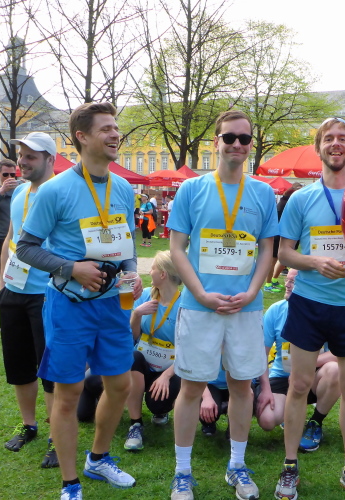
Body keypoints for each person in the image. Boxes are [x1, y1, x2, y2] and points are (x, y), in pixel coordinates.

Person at [15, 102, 140, 500]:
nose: (115, 134)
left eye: (116, 128)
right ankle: (70, 483)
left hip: (113, 305)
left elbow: (127, 245)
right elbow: (26, 247)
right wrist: (72, 268)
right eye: (106, 129)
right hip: (69, 306)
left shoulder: (124, 188)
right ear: (82, 137)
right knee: (67, 394)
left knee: (120, 385)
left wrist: (132, 272)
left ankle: (98, 458)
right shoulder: (55, 190)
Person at [274, 117, 345, 500]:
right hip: (308, 304)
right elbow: (284, 252)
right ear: (319, 147)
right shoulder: (301, 198)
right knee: (298, 386)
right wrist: (314, 263)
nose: (336, 144)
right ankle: (290, 467)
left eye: (342, 138)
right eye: (328, 138)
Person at [166, 109, 278, 500]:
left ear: (250, 145)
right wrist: (199, 293)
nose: (236, 144)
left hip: (245, 308)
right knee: (191, 388)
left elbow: (268, 250)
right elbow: (176, 248)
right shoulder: (191, 189)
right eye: (229, 137)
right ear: (216, 142)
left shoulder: (263, 193)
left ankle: (237, 466)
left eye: (244, 139)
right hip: (200, 307)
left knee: (242, 387)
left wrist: (252, 291)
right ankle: (182, 472)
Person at [0, 132, 58, 468]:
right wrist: (2, 281)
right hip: (14, 291)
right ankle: (29, 425)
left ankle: (56, 435)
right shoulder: (19, 191)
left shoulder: (60, 191)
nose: (22, 161)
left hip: (46, 294)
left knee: (50, 369)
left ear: (50, 159)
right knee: (18, 365)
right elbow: (11, 237)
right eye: (21, 155)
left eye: (31, 156)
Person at [254, 269, 341, 453]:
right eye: (287, 279)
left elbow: (339, 353)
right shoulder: (276, 310)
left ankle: (315, 422)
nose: (286, 284)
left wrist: (305, 364)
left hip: (313, 377)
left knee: (335, 370)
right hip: (282, 376)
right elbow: (260, 354)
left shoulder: (325, 310)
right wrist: (265, 388)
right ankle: (290, 415)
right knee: (267, 420)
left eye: (293, 281)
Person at [124, 250, 183, 451]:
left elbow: (190, 351)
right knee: (133, 357)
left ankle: (161, 410)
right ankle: (135, 424)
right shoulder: (145, 296)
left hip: (169, 369)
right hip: (142, 364)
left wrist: (166, 376)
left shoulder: (184, 305)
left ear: (163, 274)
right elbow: (133, 338)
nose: (149, 272)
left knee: (157, 404)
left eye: (152, 268)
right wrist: (136, 315)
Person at [264, 183, 303, 292]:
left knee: (281, 260)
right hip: (278, 236)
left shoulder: (286, 202)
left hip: (283, 236)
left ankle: (273, 280)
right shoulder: (286, 204)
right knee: (273, 261)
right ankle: (268, 284)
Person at [200, 367, 230, 437]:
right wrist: (206, 397)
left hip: (237, 382)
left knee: (245, 400)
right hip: (211, 384)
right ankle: (208, 424)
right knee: (210, 409)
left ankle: (234, 429)